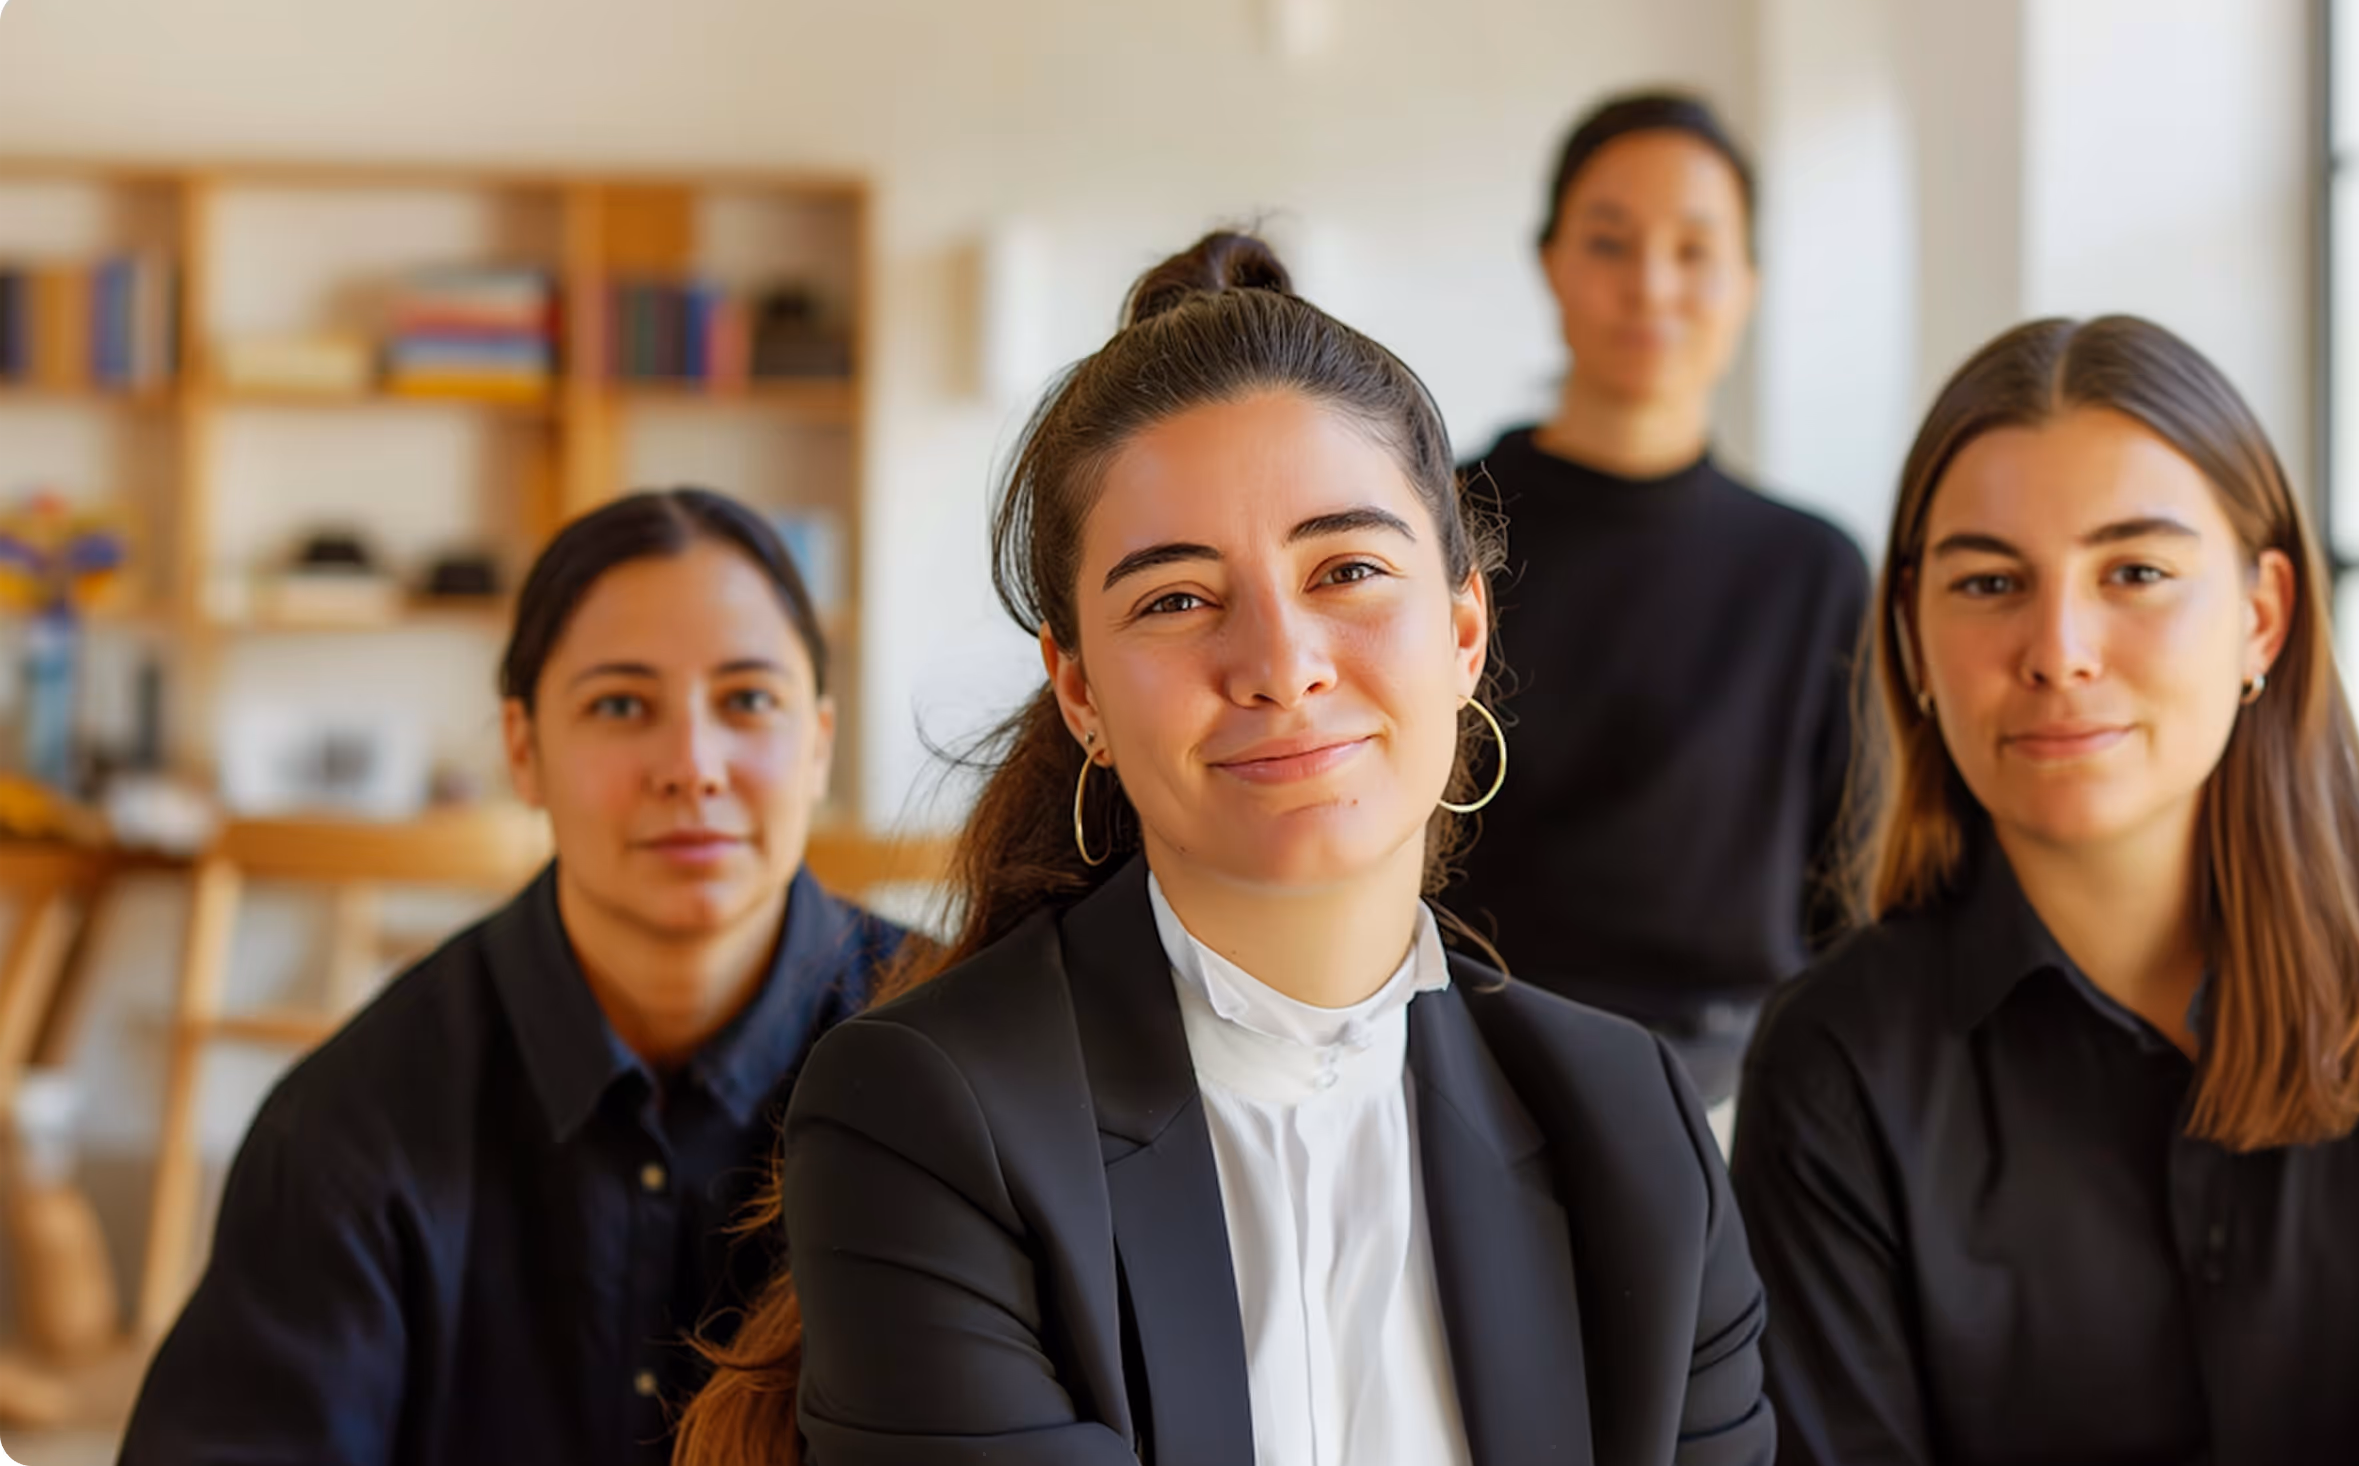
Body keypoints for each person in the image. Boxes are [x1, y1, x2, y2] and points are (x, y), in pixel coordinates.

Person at [674, 230, 1775, 1466]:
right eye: (1177, 600)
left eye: (1347, 569)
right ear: (1079, 690)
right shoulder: (927, 1118)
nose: (1280, 666)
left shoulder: (1629, 1121)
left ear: (1463, 629)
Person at [1731, 316, 2359, 1465]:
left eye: (2135, 572)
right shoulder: (1837, 1069)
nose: (2059, 648)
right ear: (1914, 641)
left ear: (2260, 615)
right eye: (1988, 582)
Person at [121, 489, 906, 1466]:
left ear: (819, 743)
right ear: (524, 750)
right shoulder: (349, 1129)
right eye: (621, 706)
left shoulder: (956, 1062)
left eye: (748, 701)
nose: (692, 765)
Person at [1441, 90, 1870, 1115]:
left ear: (1747, 282)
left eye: (1694, 249)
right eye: (1609, 242)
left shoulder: (1812, 571)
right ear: (1549, 261)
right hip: (1460, 1057)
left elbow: (1850, 903)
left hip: (1733, 1090)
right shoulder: (1434, 531)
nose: (1651, 286)